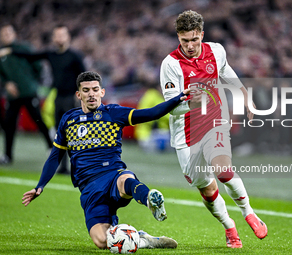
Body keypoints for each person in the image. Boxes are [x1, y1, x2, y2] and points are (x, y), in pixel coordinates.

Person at [22, 71, 190, 250]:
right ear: (79, 95)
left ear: (102, 92)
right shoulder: (69, 119)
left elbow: (151, 113)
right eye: (86, 90)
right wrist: (40, 186)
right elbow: (55, 155)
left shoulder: (113, 113)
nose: (91, 94)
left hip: (112, 174)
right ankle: (142, 239)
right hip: (88, 188)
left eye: (95, 89)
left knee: (126, 181)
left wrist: (179, 98)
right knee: (103, 242)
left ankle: (149, 199)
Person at [160, 10, 268, 248]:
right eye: (184, 40)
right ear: (178, 37)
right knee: (207, 188)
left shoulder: (216, 51)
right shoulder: (170, 64)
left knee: (222, 169)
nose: (190, 45)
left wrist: (243, 93)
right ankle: (229, 227)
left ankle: (249, 212)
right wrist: (189, 103)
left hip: (214, 122)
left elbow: (226, 72)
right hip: (185, 133)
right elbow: (171, 107)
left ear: (202, 35)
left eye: (194, 40)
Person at [0, 25, 86, 173]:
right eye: (57, 35)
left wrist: (82, 96)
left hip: (70, 98)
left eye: (62, 35)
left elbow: (84, 76)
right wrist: (11, 50)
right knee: (62, 132)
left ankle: (81, 165)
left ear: (68, 37)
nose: (59, 38)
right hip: (58, 97)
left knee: (75, 132)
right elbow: (31, 56)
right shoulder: (50, 54)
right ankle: (63, 167)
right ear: (53, 38)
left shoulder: (75, 55)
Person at [0, 24, 53, 164]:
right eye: (4, 34)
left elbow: (38, 66)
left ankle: (50, 147)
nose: (6, 36)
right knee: (9, 124)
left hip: (28, 92)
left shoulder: (24, 49)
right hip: (13, 95)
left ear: (14, 34)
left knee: (38, 119)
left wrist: (31, 82)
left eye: (8, 33)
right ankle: (7, 155)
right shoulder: (1, 52)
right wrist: (6, 84)